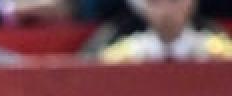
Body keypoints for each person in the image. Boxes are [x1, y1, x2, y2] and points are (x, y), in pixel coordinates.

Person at [98, 0, 232, 59]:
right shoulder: (122, 57)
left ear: (190, 3)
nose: (165, 10)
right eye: (155, 1)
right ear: (143, 7)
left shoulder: (220, 55)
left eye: (174, 0)